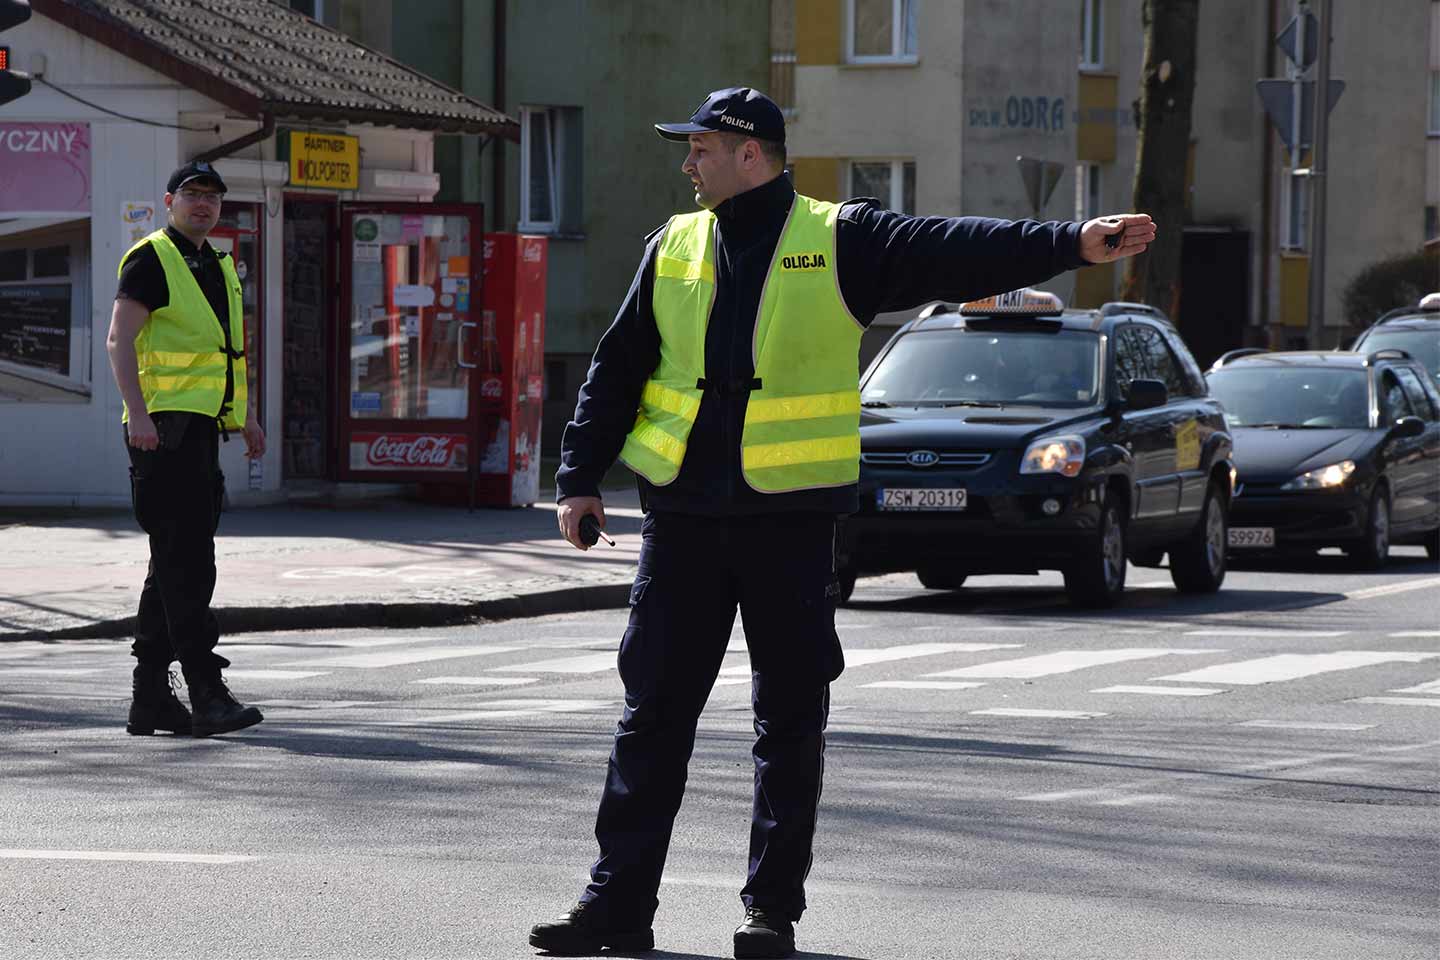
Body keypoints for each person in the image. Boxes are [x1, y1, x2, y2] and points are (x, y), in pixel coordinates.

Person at [531, 86, 1154, 959]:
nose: (689, 164)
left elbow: (953, 248)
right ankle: (616, 907)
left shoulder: (840, 238)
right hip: (683, 521)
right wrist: (577, 478)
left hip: (789, 524)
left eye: (702, 148)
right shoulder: (673, 244)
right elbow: (618, 363)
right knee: (651, 718)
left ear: (751, 153)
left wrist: (1069, 242)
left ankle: (769, 913)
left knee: (788, 725)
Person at [106, 160, 266, 739]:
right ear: (169, 200)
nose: (203, 204)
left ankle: (150, 698)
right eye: (193, 194)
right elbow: (120, 339)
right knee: (189, 564)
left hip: (199, 430)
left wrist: (245, 417)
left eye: (213, 197)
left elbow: (225, 353)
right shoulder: (152, 258)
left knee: (171, 562)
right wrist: (139, 415)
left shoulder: (217, 264)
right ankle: (206, 691)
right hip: (162, 431)